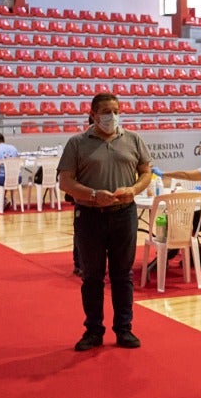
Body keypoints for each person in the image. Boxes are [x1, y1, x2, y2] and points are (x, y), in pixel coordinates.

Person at [57, 92, 153, 351]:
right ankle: (93, 330)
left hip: (124, 214)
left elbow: (146, 173)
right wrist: (92, 195)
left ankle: (124, 329)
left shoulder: (133, 139)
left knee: (123, 275)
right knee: (92, 277)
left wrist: (133, 190)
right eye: (106, 112)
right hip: (89, 216)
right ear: (93, 115)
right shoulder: (77, 143)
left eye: (116, 111)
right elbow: (65, 181)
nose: (112, 116)